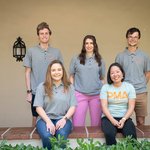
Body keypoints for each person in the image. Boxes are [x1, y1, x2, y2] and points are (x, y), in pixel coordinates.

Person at [23, 22, 63, 127]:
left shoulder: (56, 52)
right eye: (41, 33)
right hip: (36, 91)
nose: (44, 35)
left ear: (50, 34)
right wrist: (28, 92)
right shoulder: (31, 51)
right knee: (35, 117)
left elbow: (61, 72)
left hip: (54, 90)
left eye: (46, 33)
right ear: (38, 35)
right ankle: (32, 141)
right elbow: (27, 72)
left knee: (53, 117)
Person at [33, 60, 77, 150]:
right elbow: (38, 107)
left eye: (59, 70)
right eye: (53, 70)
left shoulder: (70, 87)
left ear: (63, 71)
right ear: (49, 72)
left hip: (63, 118)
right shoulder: (42, 87)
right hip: (44, 119)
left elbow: (73, 106)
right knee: (47, 136)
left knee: (62, 135)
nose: (56, 72)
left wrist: (64, 119)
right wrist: (48, 121)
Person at [115, 27, 150, 126]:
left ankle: (140, 142)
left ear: (139, 39)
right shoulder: (120, 56)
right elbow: (116, 73)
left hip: (140, 93)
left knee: (141, 121)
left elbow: (148, 72)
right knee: (122, 120)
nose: (133, 39)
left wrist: (142, 83)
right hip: (124, 93)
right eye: (130, 37)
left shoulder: (145, 56)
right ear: (127, 38)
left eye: (135, 37)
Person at [69, 35, 105, 126]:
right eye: (87, 43)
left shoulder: (100, 60)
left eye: (91, 43)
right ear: (84, 45)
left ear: (95, 45)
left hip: (96, 96)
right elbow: (71, 76)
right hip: (80, 95)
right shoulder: (76, 59)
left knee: (96, 125)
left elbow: (102, 78)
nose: (89, 45)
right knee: (77, 124)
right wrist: (73, 91)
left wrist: (102, 92)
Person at [100, 62, 137, 145]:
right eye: (112, 73)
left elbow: (131, 106)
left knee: (131, 134)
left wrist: (123, 119)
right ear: (109, 76)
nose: (115, 74)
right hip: (108, 118)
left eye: (117, 71)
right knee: (109, 134)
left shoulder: (129, 87)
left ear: (122, 73)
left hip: (125, 118)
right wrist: (112, 120)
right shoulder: (105, 87)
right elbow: (104, 106)